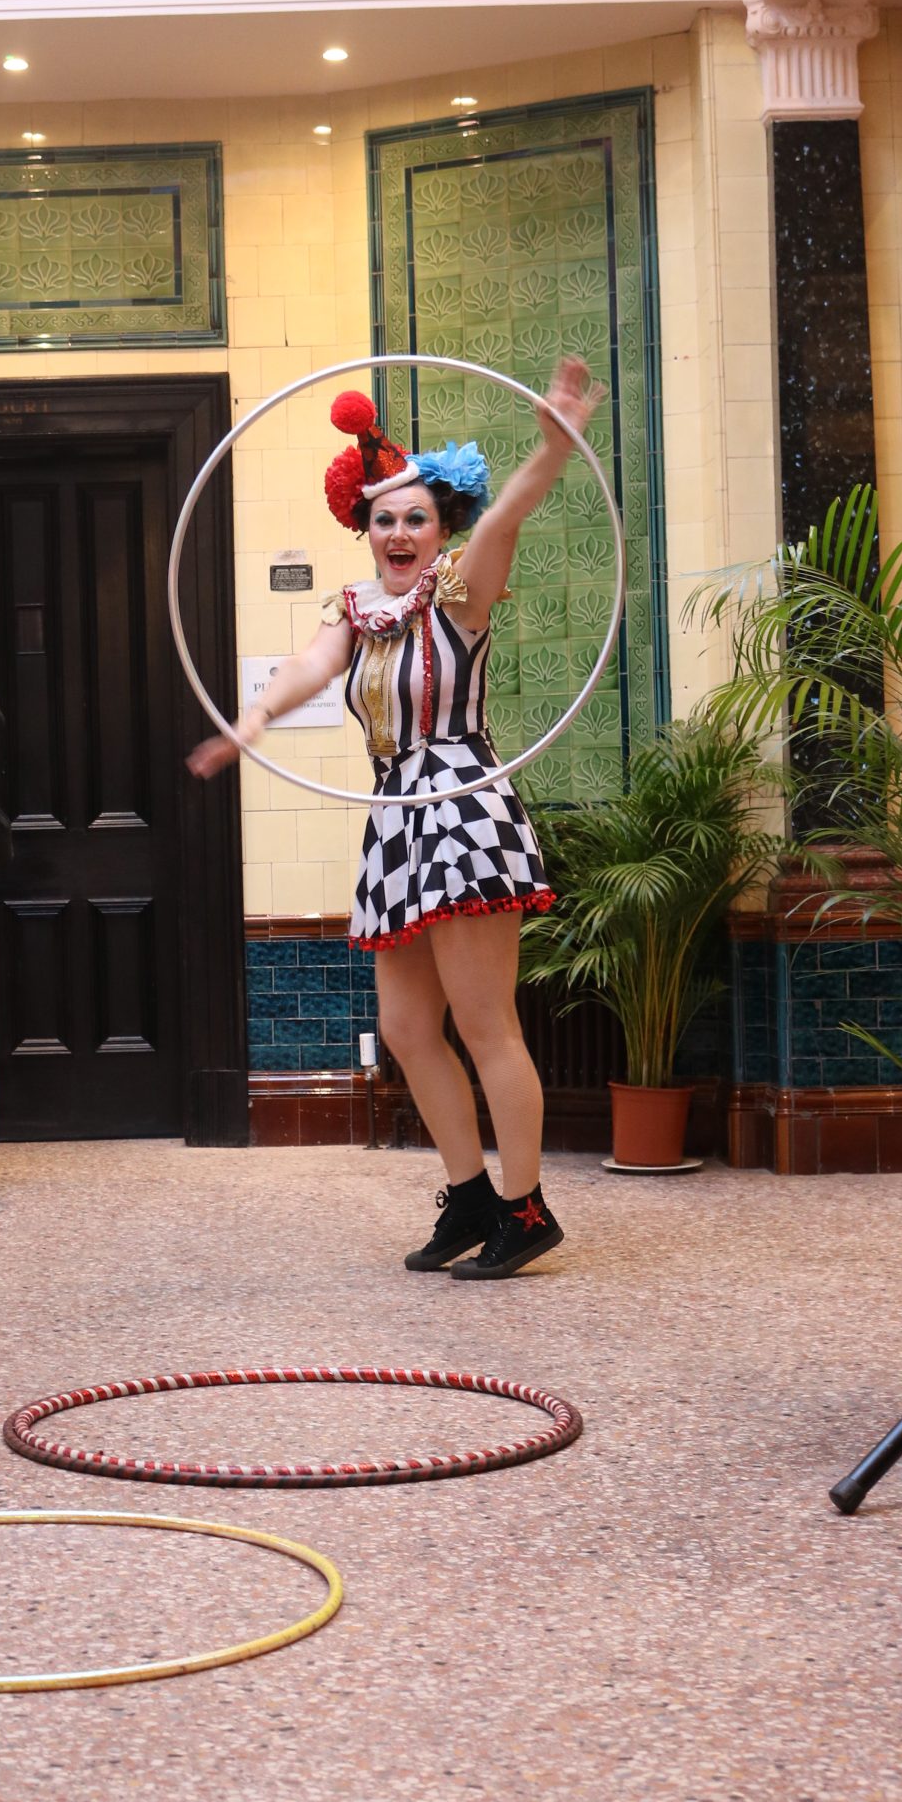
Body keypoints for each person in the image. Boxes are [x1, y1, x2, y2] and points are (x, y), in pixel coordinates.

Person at [191, 359, 600, 1280]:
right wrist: (249, 721)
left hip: (460, 806)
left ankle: (525, 1208)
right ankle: (468, 1196)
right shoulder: (358, 612)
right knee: (410, 1030)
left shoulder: (459, 589)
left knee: (485, 1021)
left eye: (417, 516)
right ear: (364, 529)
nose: (400, 531)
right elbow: (306, 665)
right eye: (385, 518)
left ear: (438, 524)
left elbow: (506, 518)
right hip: (393, 816)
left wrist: (551, 447)